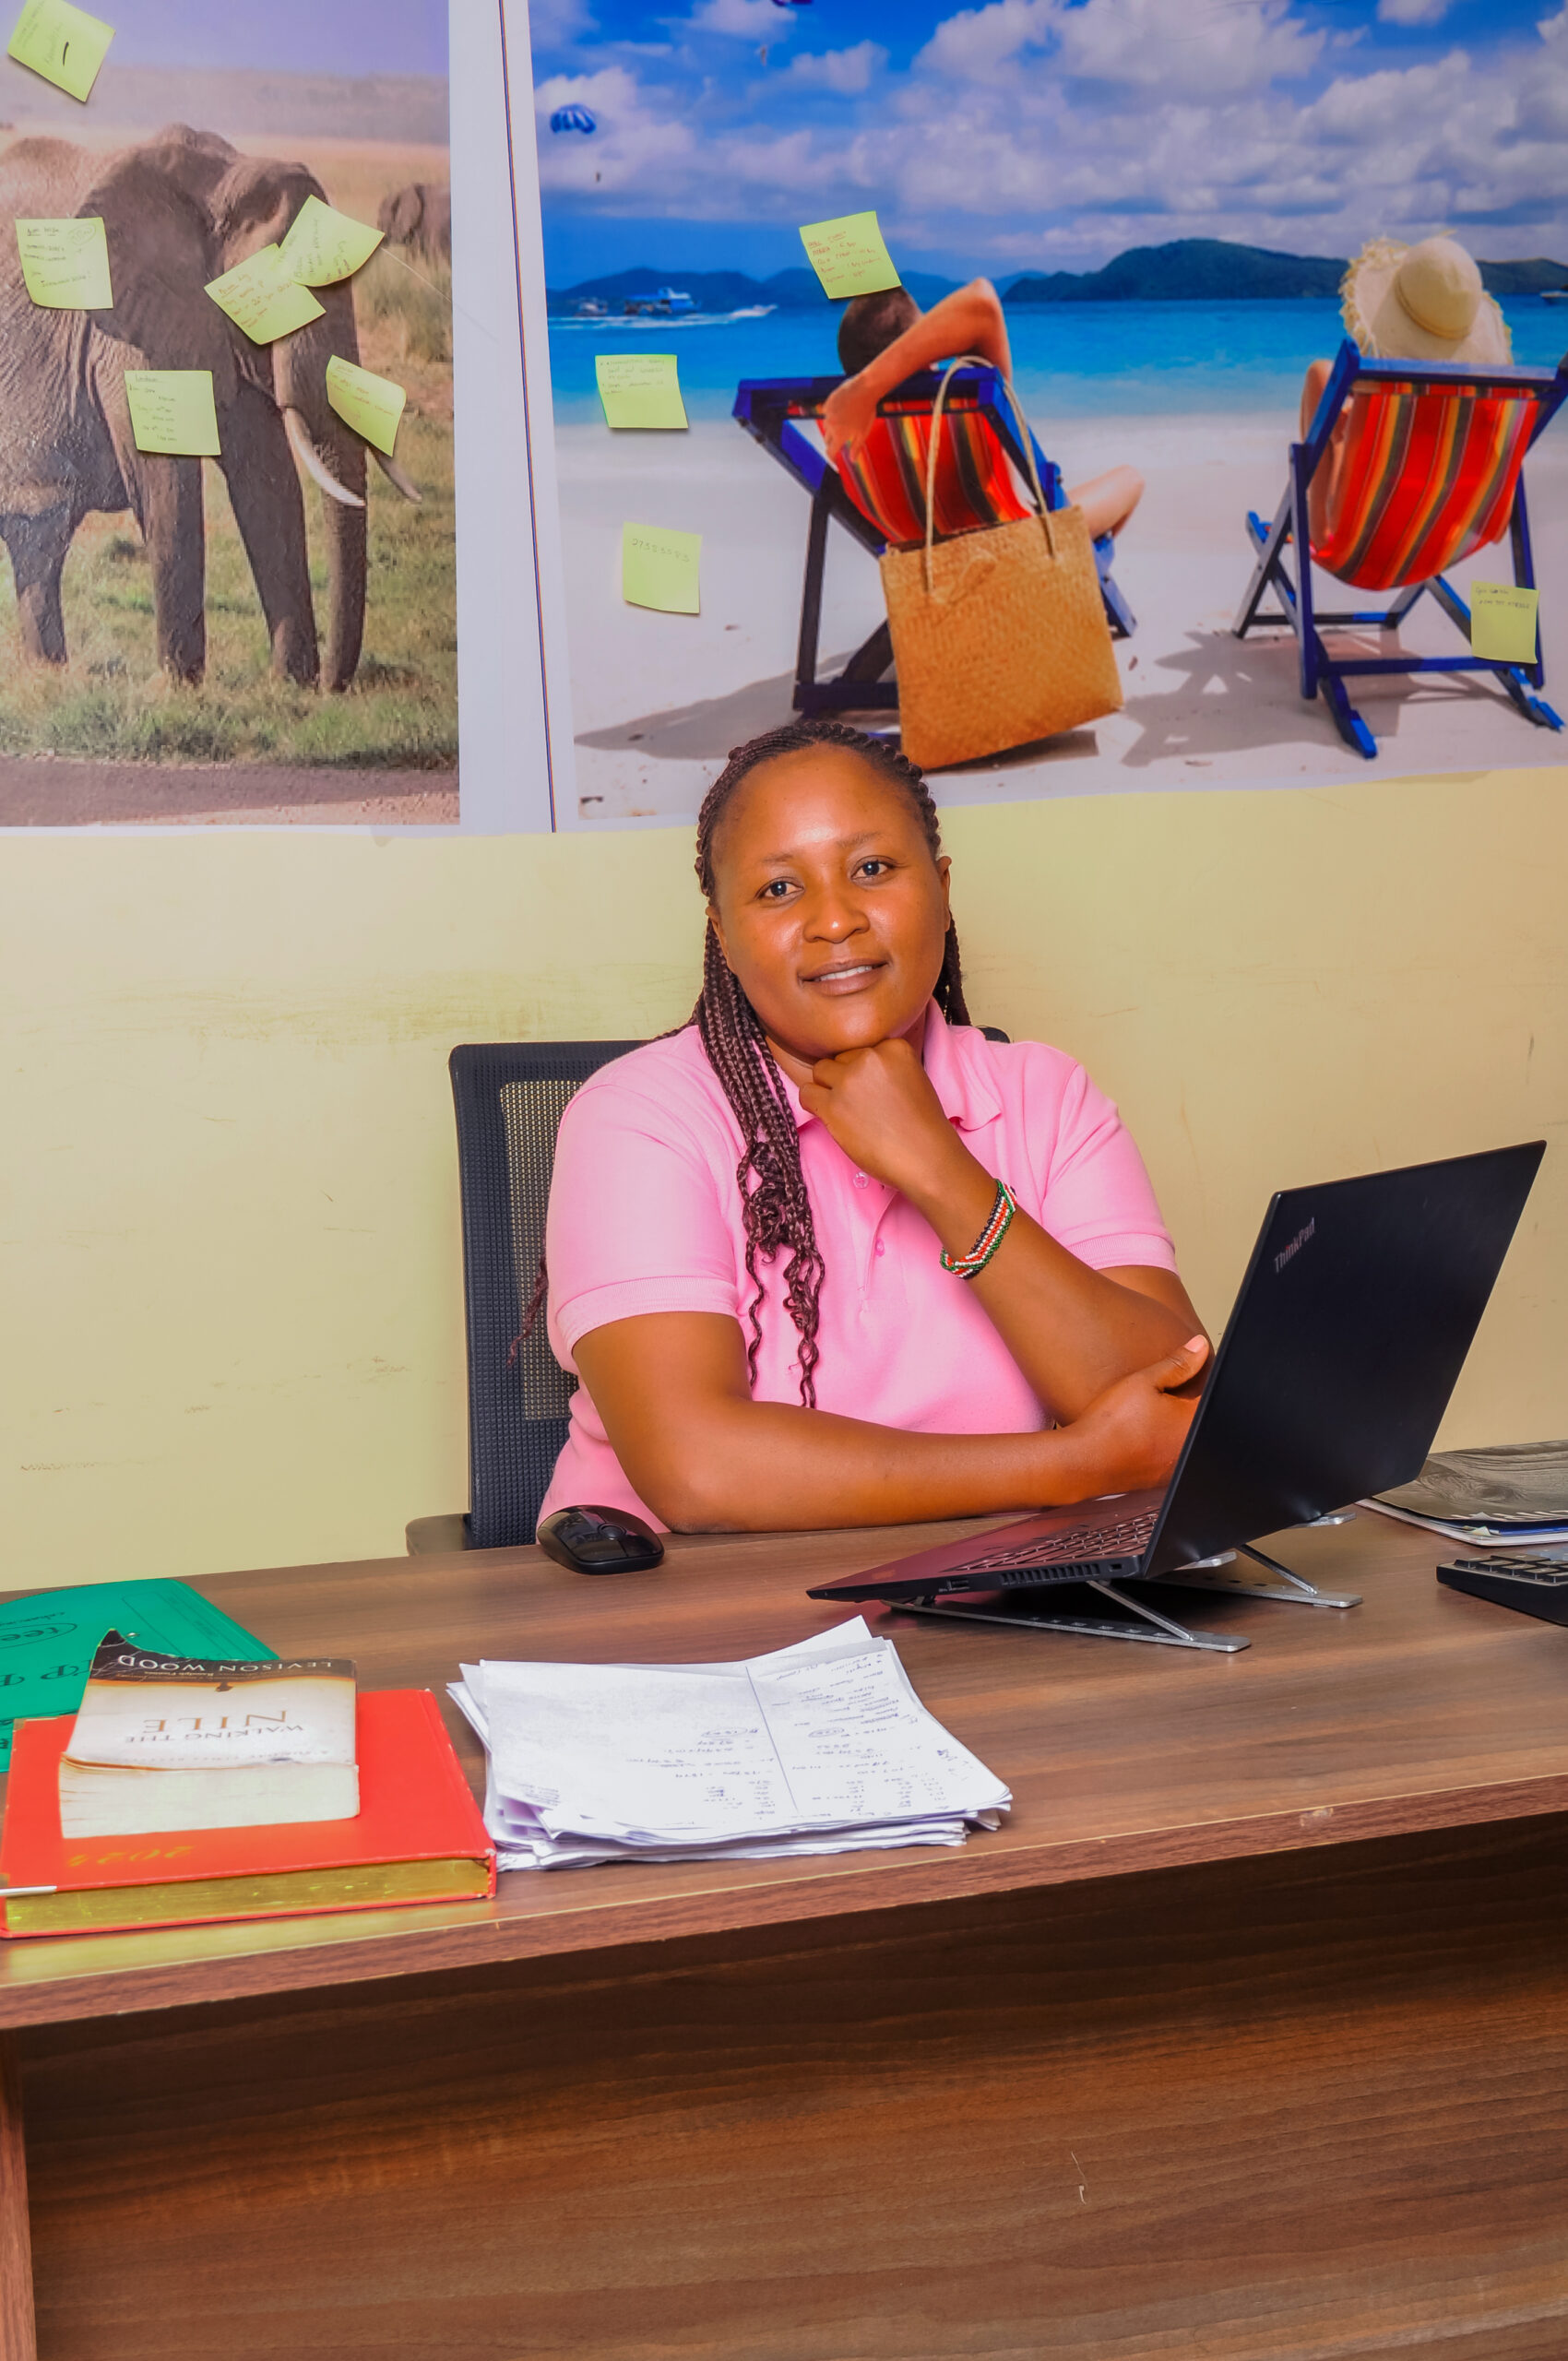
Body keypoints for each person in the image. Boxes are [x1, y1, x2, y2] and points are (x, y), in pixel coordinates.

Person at [537, 718, 1208, 1535]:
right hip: (707, 1602)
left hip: (999, 1591)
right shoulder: (640, 1117)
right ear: (723, 935)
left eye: (872, 869)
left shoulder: (1046, 1096)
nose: (835, 919)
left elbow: (1175, 1408)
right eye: (779, 889)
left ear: (943, 890)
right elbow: (697, 1470)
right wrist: (1074, 1466)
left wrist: (940, 1170)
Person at [820, 279, 1144, 545]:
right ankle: (1064, 588)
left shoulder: (841, 425)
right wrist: (868, 386)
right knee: (1131, 478)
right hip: (1020, 547)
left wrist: (864, 391)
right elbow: (982, 303)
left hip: (928, 569)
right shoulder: (962, 405)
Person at [1299, 234, 1511, 546]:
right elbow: (1498, 525)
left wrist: (1342, 439)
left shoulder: (1383, 392)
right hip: (1437, 546)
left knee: (1320, 375)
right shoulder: (1488, 405)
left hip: (1352, 544)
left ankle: (1314, 525)